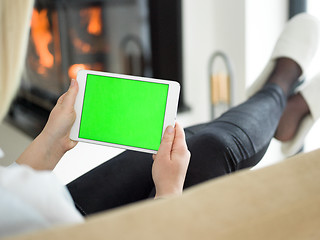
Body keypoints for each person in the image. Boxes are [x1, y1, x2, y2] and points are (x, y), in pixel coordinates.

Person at [0, 3, 320, 237]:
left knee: (178, 143)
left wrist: (49, 143)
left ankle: (282, 103)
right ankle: (281, 92)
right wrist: (167, 194)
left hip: (59, 211)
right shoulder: (37, 204)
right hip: (65, 224)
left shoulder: (28, 197)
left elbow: (9, 193)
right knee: (212, 147)